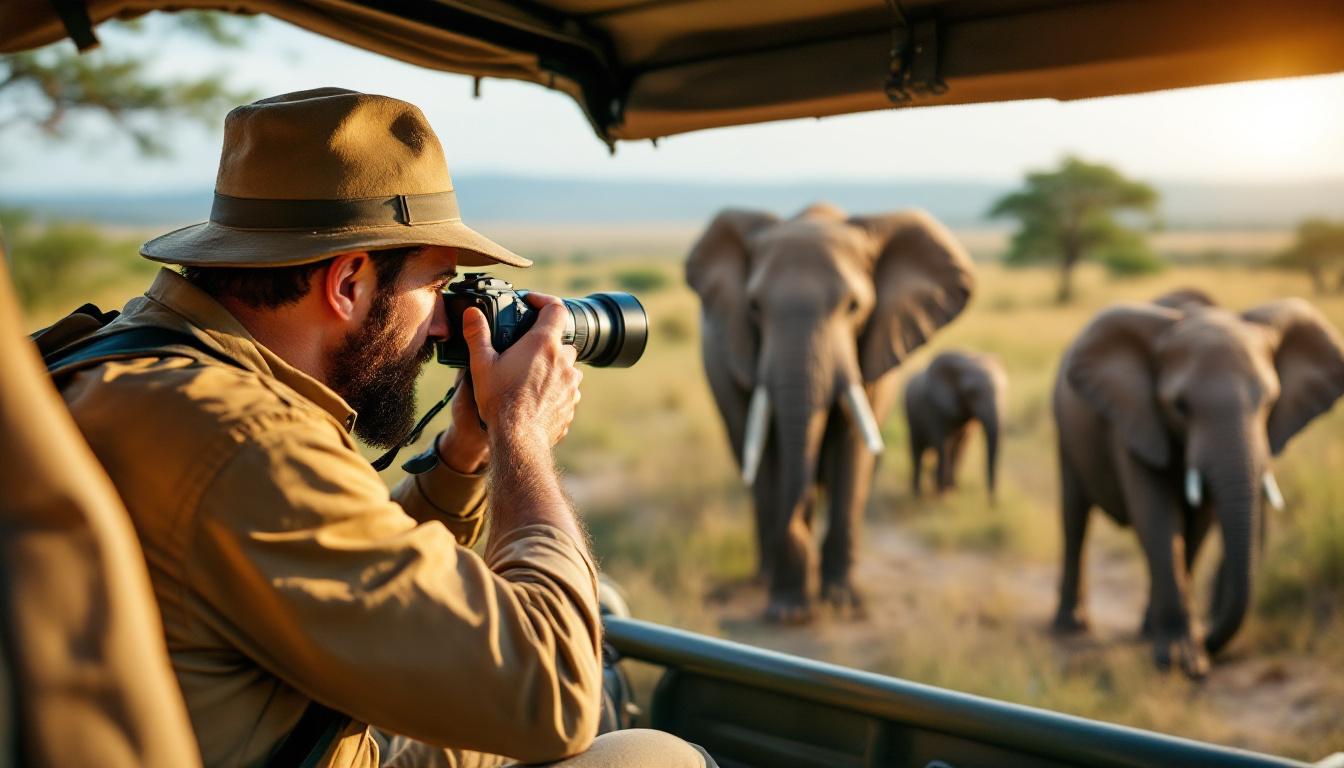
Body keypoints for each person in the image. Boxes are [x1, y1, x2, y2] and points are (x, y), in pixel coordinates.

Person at [47, 87, 710, 768]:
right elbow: (554, 696)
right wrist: (523, 435)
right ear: (348, 284)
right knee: (654, 755)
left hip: (272, 724)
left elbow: (344, 567)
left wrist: (464, 457)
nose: (444, 325)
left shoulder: (111, 360)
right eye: (435, 285)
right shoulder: (247, 440)